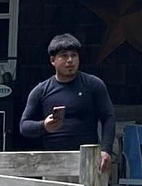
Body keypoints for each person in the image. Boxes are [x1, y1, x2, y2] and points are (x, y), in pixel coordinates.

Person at [18, 33, 113, 173]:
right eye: (64, 56)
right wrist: (44, 125)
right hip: (53, 162)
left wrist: (106, 150)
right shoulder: (41, 90)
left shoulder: (93, 84)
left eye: (74, 55)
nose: (70, 60)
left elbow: (108, 116)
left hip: (88, 160)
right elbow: (24, 126)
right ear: (52, 60)